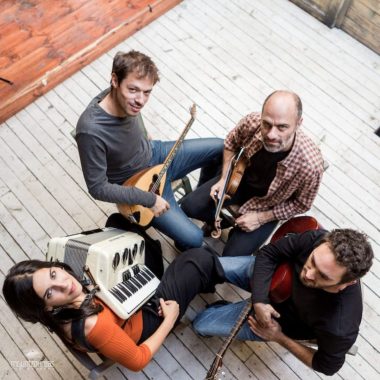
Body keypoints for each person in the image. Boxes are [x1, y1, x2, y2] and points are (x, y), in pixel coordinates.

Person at [75, 50, 223, 250]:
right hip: (143, 185)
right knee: (195, 239)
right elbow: (98, 188)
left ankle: (199, 203)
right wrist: (150, 200)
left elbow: (135, 113)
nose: (141, 101)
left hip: (157, 153)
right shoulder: (90, 130)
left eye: (147, 92)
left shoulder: (125, 98)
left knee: (221, 148)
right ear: (114, 80)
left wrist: (143, 133)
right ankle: (183, 229)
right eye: (133, 90)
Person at [3, 248, 224, 372]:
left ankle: (178, 279)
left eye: (53, 274)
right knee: (196, 259)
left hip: (123, 307)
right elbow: (137, 360)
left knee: (122, 226)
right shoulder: (94, 327)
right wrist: (170, 319)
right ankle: (210, 279)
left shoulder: (59, 312)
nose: (64, 283)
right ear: (46, 306)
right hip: (147, 321)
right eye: (50, 293)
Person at [193, 228, 374, 376]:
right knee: (206, 266)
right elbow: (270, 253)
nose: (308, 274)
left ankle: (222, 307)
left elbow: (327, 366)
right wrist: (259, 300)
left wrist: (278, 336)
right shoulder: (321, 241)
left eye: (323, 276)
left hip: (275, 323)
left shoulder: (340, 326)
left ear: (347, 283)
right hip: (273, 276)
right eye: (312, 261)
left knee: (201, 324)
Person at [181, 90, 324, 256]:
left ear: (298, 123)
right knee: (189, 206)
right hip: (237, 182)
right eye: (267, 124)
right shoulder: (253, 122)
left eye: (282, 127)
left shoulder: (311, 166)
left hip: (268, 205)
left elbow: (301, 203)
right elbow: (230, 142)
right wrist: (223, 179)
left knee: (232, 257)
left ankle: (232, 230)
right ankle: (222, 222)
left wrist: (260, 218)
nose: (271, 134)